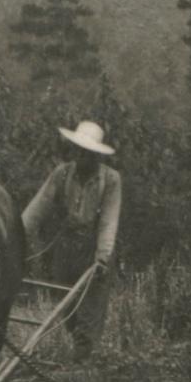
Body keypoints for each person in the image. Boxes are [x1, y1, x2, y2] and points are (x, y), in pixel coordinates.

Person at [20, 120, 123, 357]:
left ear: (97, 155)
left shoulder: (110, 180)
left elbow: (109, 219)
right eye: (79, 150)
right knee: (68, 306)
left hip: (94, 248)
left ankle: (83, 359)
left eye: (88, 153)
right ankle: (78, 352)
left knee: (90, 310)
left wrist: (103, 257)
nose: (82, 156)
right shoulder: (62, 173)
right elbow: (38, 207)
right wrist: (17, 235)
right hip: (66, 247)